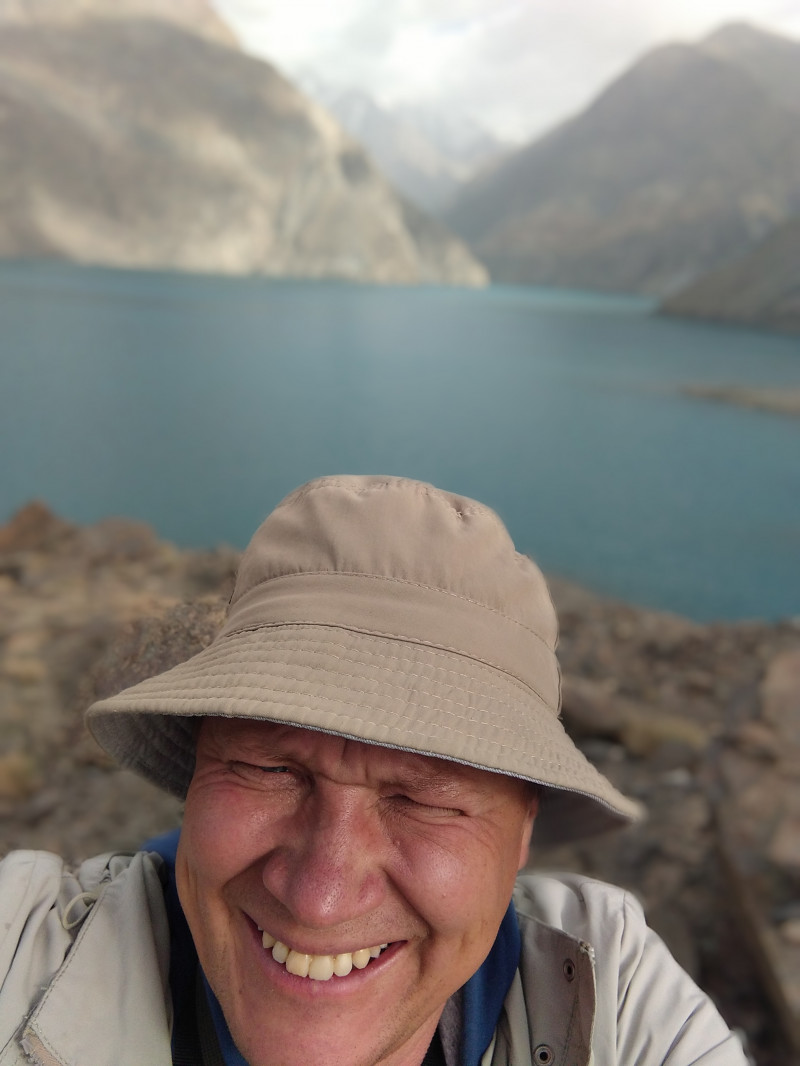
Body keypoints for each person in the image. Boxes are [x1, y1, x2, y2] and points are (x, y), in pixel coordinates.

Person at [0, 475, 747, 1066]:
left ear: (523, 831)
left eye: (423, 800)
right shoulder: (22, 954)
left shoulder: (617, 998)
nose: (320, 899)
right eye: (268, 768)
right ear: (195, 776)